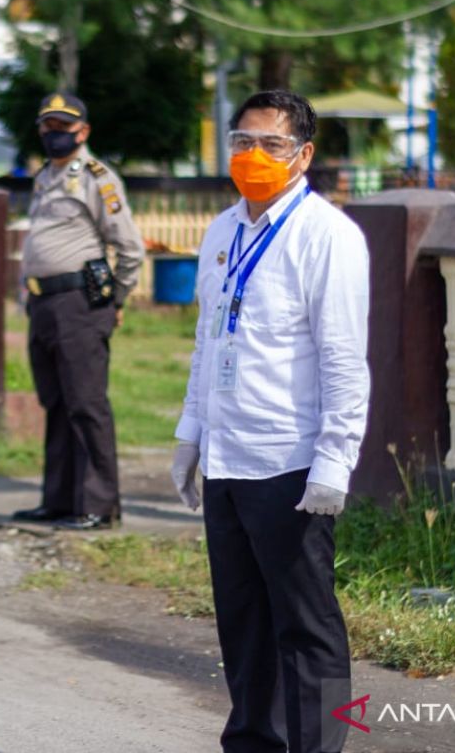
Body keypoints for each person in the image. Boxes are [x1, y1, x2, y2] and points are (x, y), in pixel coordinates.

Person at [170, 90, 370, 753]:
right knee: (244, 626)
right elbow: (209, 340)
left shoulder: (328, 237)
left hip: (290, 462)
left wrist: (335, 461)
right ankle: (253, 743)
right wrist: (190, 433)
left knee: (307, 629)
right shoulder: (223, 231)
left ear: (304, 155)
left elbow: (345, 362)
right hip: (228, 457)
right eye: (242, 142)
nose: (253, 156)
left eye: (272, 145)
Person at [12, 92, 145, 531]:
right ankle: (59, 499)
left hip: (79, 304)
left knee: (86, 404)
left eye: (63, 127)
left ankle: (98, 506)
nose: (55, 134)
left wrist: (116, 300)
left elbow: (129, 249)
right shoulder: (45, 177)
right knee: (56, 402)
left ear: (83, 132)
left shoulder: (96, 177)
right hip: (44, 303)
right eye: (48, 126)